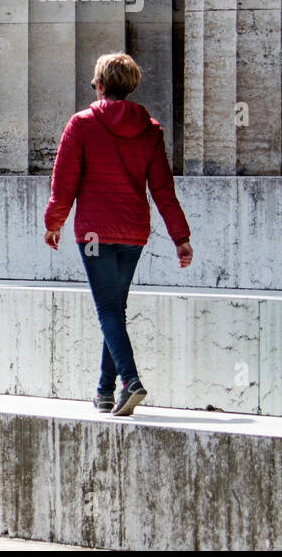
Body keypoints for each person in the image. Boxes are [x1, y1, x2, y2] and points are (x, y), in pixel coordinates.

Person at [43, 53, 193, 417]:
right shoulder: (151, 129)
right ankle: (104, 392)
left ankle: (130, 380)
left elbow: (64, 184)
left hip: (94, 231)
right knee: (116, 310)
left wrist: (53, 222)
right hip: (133, 232)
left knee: (108, 310)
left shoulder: (81, 125)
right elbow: (163, 190)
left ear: (100, 85)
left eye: (95, 82)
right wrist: (180, 237)